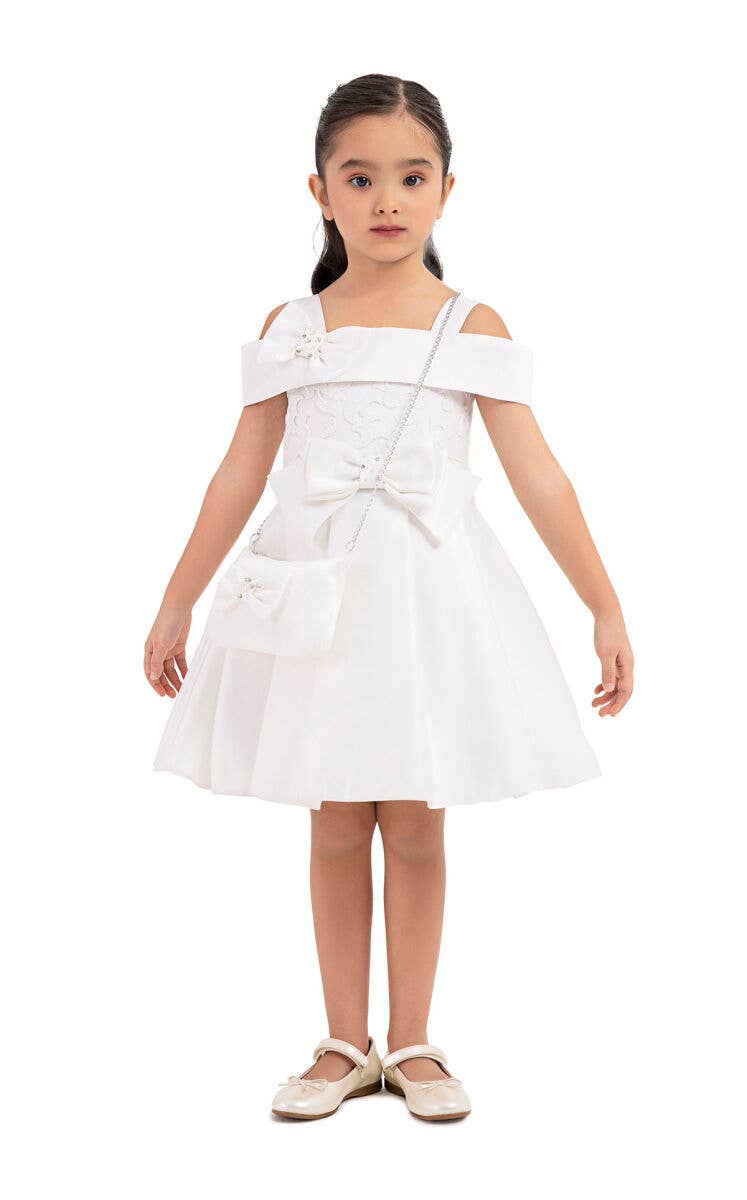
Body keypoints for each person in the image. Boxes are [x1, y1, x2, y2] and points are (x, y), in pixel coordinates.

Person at [144, 73, 634, 1122]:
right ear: (318, 191)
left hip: (424, 602)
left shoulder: (468, 321)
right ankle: (342, 1042)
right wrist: (177, 600)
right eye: (359, 177)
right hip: (319, 599)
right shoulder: (295, 322)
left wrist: (603, 603)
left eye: (412, 177)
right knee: (333, 818)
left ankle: (411, 1042)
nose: (386, 200)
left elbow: (538, 473)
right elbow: (240, 468)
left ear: (447, 190)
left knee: (413, 817)